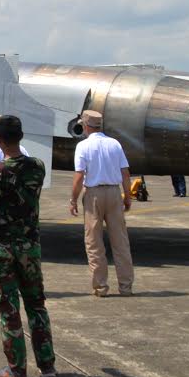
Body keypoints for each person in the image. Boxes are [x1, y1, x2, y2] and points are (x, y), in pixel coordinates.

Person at [0, 114, 56, 377]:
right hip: (30, 247)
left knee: (9, 310)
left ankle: (17, 369)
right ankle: (47, 364)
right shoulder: (38, 167)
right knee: (36, 306)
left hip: (1, 251)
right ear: (20, 136)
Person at [69, 110, 134, 297]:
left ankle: (100, 286)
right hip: (114, 192)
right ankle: (126, 286)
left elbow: (79, 176)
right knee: (120, 241)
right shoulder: (115, 144)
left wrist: (73, 199)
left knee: (94, 242)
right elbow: (125, 173)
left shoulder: (83, 146)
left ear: (86, 126)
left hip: (94, 194)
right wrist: (127, 196)